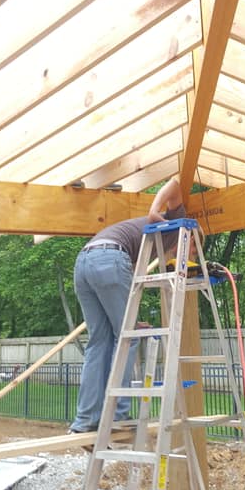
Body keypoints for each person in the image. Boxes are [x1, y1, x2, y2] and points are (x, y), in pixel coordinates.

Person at [69, 177, 185, 434]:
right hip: (109, 258)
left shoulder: (149, 245)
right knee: (128, 339)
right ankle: (118, 416)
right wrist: (155, 209)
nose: (180, 259)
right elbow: (175, 184)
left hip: (85, 262)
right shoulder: (176, 224)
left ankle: (85, 420)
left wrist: (131, 319)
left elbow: (122, 278)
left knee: (99, 340)